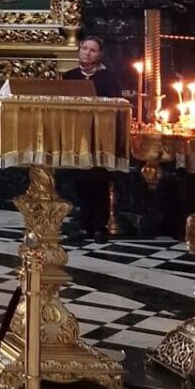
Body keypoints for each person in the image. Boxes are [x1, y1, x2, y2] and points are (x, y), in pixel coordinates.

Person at [62, 35, 122, 241]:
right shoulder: (70, 76)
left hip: (100, 133)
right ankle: (84, 223)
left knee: (98, 178)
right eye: (84, 48)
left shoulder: (108, 78)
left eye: (92, 50)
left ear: (100, 54)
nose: (87, 53)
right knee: (80, 179)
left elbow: (115, 104)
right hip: (77, 133)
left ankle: (99, 225)